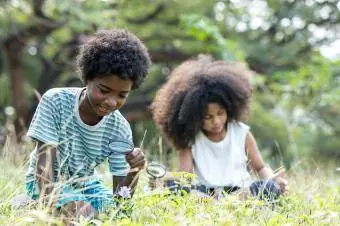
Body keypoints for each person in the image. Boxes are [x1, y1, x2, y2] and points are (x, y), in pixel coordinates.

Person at [24, 28, 151, 219]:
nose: (111, 101)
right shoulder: (55, 101)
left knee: (117, 214)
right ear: (88, 77)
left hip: (87, 185)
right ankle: (29, 206)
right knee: (79, 212)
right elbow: (44, 171)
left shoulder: (119, 128)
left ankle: (37, 208)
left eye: (121, 95)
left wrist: (134, 172)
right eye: (104, 90)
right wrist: (56, 204)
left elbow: (121, 201)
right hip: (48, 182)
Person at [151, 55, 288, 200]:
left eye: (220, 113)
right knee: (174, 186)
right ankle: (219, 203)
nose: (216, 121)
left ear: (229, 108)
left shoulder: (241, 132)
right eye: (207, 117)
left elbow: (260, 167)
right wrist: (164, 180)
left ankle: (225, 203)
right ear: (195, 117)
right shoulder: (190, 140)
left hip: (241, 192)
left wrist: (273, 179)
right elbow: (185, 178)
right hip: (204, 194)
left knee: (269, 188)